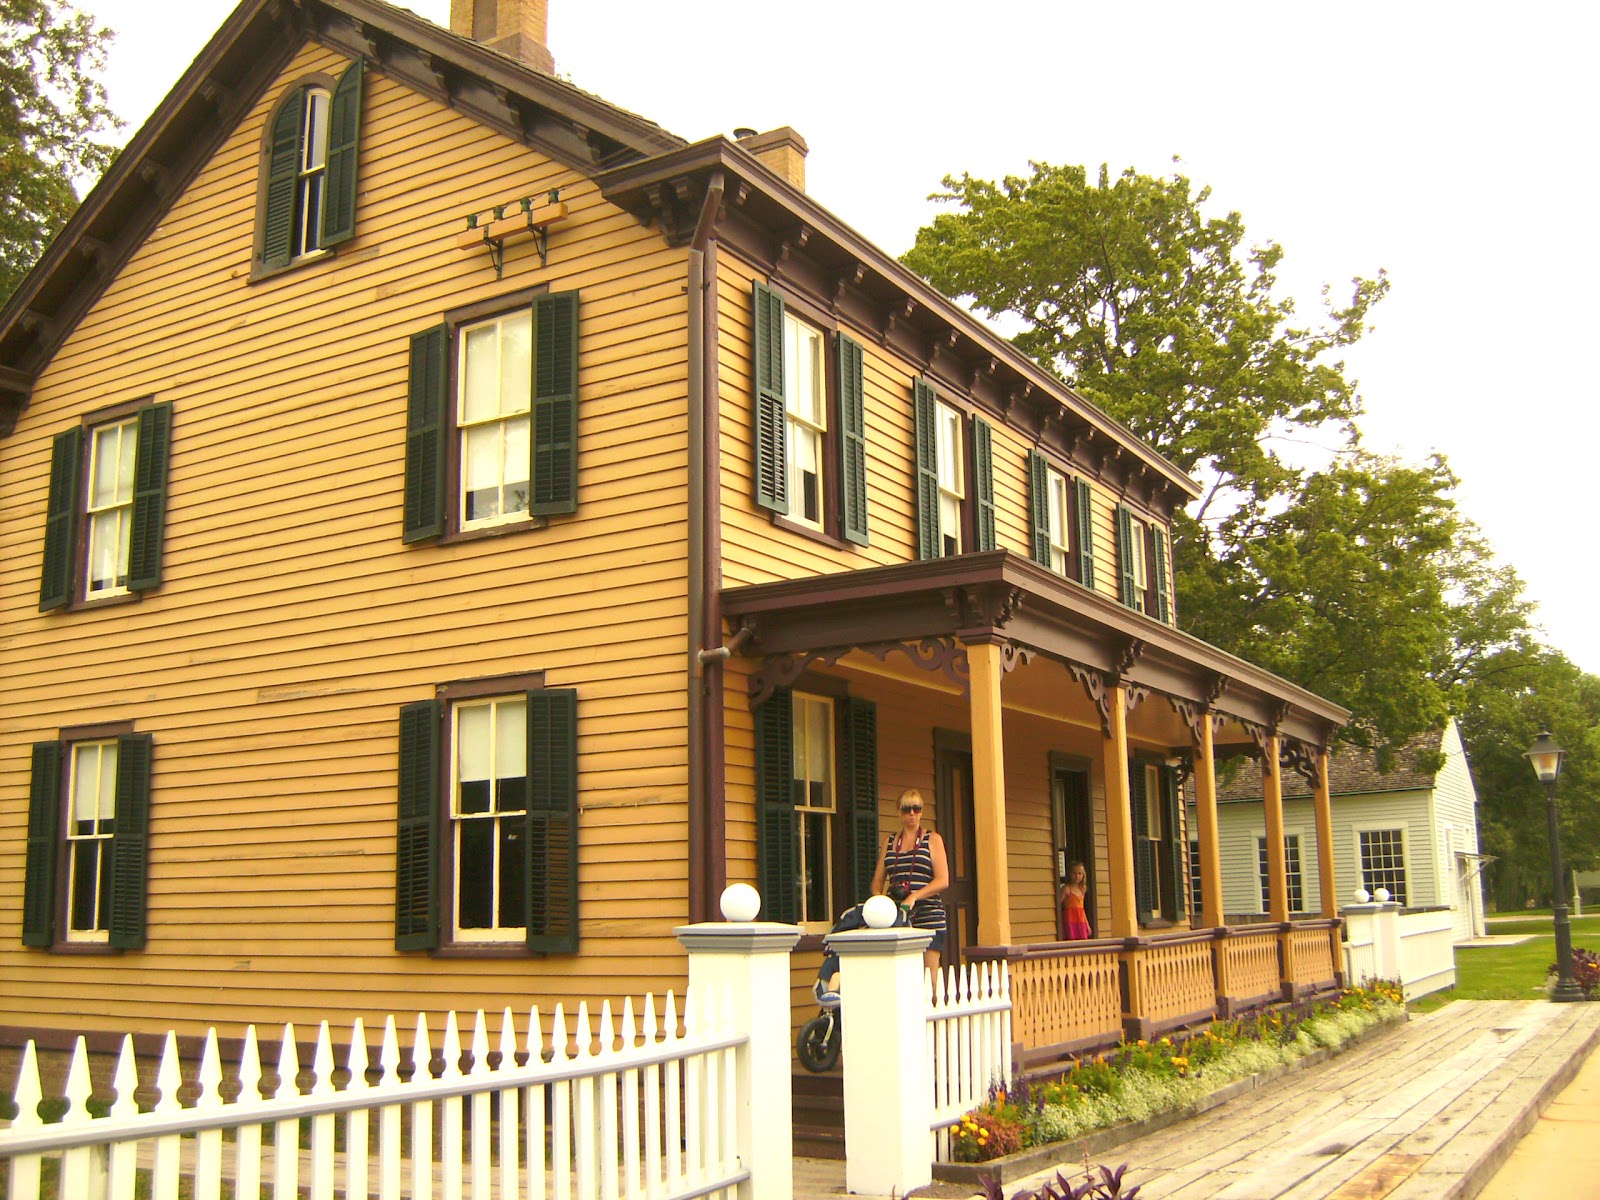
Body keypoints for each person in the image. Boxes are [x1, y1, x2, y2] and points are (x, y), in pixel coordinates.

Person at [870, 787, 949, 973]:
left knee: (928, 977)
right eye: (906, 809)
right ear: (898, 812)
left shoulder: (933, 839)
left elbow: (943, 880)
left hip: (928, 914)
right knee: (900, 973)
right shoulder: (889, 842)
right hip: (897, 914)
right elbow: (878, 880)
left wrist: (915, 896)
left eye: (917, 808)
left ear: (922, 811)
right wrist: (879, 900)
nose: (912, 814)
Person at [1059, 860, 1092, 940]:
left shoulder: (1082, 889)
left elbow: (1082, 909)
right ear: (1069, 874)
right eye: (1074, 873)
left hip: (1080, 920)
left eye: (1079, 873)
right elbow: (1058, 905)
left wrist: (1087, 925)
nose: (1077, 876)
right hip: (1069, 919)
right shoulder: (1066, 889)